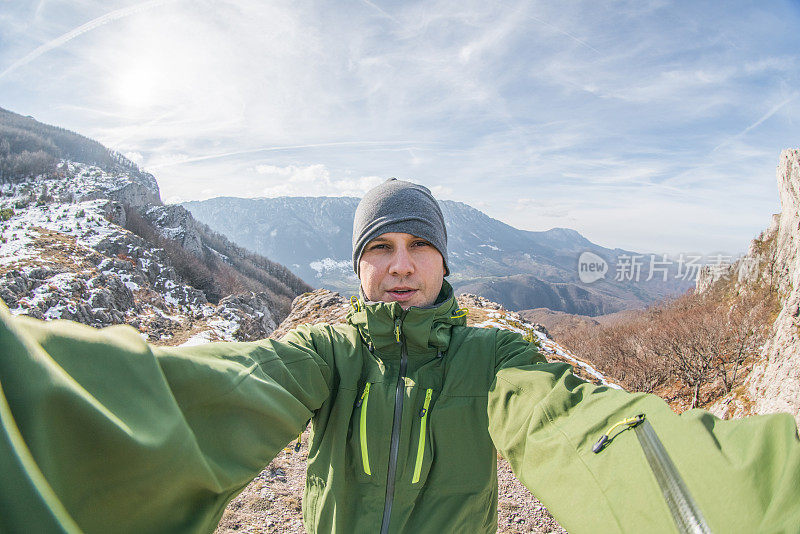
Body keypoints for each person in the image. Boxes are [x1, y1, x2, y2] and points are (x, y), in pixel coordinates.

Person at [1, 178, 799, 534]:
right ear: (357, 265)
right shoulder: (327, 353)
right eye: (379, 247)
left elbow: (587, 429)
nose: (401, 264)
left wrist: (744, 503)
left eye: (421, 245)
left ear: (446, 263)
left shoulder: (495, 361)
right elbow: (213, 393)